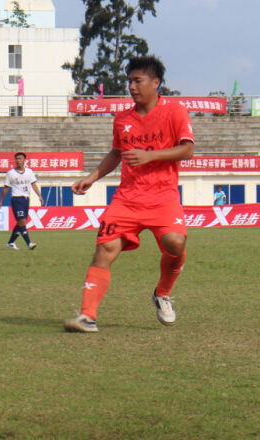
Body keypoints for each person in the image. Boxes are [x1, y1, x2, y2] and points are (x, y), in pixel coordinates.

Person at [64, 55, 194, 333]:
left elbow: (187, 150)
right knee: (104, 250)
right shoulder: (123, 119)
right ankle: (87, 316)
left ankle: (162, 293)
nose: (132, 86)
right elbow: (116, 153)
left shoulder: (175, 112)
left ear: (156, 83)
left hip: (163, 197)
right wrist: (92, 177)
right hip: (127, 199)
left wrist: (150, 156)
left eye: (138, 81)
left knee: (175, 243)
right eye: (130, 81)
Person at [0, 152, 44, 250]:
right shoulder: (11, 173)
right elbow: (6, 187)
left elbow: (33, 184)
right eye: (16, 159)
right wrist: (0, 200)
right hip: (16, 199)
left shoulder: (29, 172)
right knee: (22, 222)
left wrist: (39, 195)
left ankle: (11, 242)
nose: (18, 161)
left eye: (20, 159)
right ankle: (29, 243)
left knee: (21, 222)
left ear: (24, 160)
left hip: (26, 199)